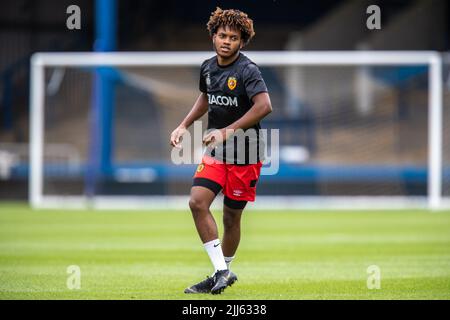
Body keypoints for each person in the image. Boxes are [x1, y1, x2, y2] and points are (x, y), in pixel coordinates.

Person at [170, 7, 272, 295]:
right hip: (216, 152)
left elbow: (264, 106)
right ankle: (221, 272)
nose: (227, 41)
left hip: (245, 154)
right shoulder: (207, 67)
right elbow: (206, 98)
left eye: (233, 37)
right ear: (213, 36)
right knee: (197, 202)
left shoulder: (248, 70)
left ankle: (221, 270)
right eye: (222, 35)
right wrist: (183, 125)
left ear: (242, 42)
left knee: (231, 218)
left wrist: (228, 131)